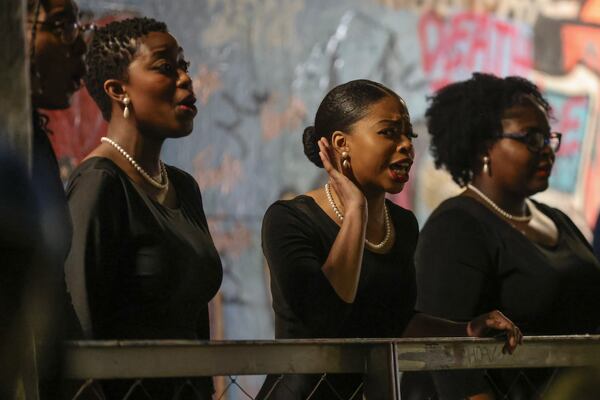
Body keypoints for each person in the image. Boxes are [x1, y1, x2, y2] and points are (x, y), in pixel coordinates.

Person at [256, 79, 522, 400]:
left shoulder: (403, 225)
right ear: (342, 143)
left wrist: (464, 330)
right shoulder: (289, 219)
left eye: (408, 134)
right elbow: (324, 320)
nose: (407, 145)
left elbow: (392, 321)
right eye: (389, 132)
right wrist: (356, 210)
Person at [64, 17, 223, 399]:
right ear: (119, 90)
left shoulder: (183, 187)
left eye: (184, 67)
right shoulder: (99, 184)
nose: (185, 79)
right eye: (165, 68)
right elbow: (81, 327)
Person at [416, 72, 600, 399]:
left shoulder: (557, 220)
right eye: (530, 138)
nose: (547, 150)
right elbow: (448, 360)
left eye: (549, 138)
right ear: (484, 146)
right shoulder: (457, 226)